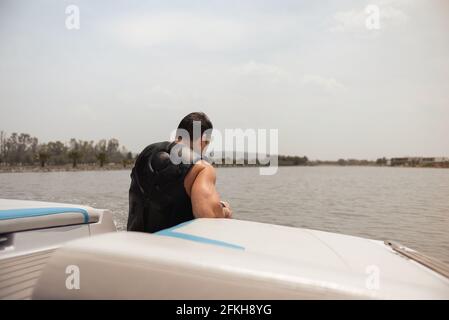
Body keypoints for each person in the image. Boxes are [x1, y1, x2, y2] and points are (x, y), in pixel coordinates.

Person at [127, 112, 232, 233]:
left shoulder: (145, 153)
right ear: (204, 141)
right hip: (170, 248)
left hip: (132, 244)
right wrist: (223, 210)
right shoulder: (201, 168)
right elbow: (209, 217)